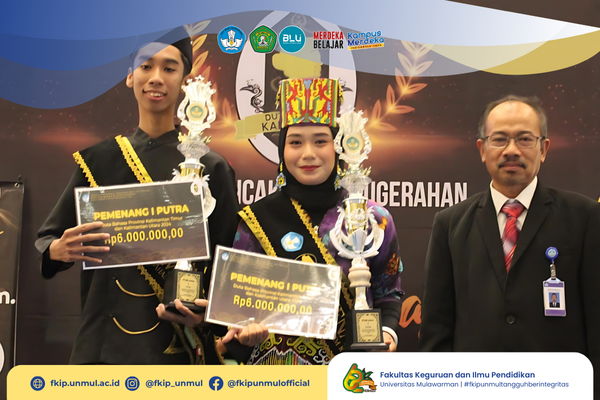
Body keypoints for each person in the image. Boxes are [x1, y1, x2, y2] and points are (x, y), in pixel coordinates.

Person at [35, 28, 239, 365]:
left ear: (184, 81)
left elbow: (226, 265)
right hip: (102, 348)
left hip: (177, 347)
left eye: (169, 68)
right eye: (146, 66)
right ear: (130, 76)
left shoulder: (211, 166)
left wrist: (206, 314)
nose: (156, 77)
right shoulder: (99, 161)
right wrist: (58, 250)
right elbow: (48, 240)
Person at [419, 95, 600, 394]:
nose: (512, 150)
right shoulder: (449, 223)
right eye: (500, 139)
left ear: (544, 149)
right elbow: (436, 329)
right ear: (482, 149)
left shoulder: (585, 217)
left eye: (525, 139)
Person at [219, 78, 404, 365]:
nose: (308, 153)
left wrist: (387, 331)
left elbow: (389, 292)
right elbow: (237, 309)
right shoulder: (254, 221)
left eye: (320, 141)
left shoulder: (373, 218)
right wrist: (242, 331)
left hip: (349, 374)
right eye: (295, 142)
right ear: (282, 150)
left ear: (338, 147)